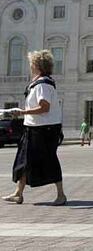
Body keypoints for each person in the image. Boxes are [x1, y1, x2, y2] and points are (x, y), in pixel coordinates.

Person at [2, 50, 67, 206]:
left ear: (37, 65)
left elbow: (44, 107)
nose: (30, 65)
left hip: (44, 130)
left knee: (49, 160)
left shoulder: (43, 84)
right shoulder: (38, 83)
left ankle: (61, 195)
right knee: (24, 160)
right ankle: (18, 193)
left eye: (32, 63)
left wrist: (22, 112)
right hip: (33, 127)